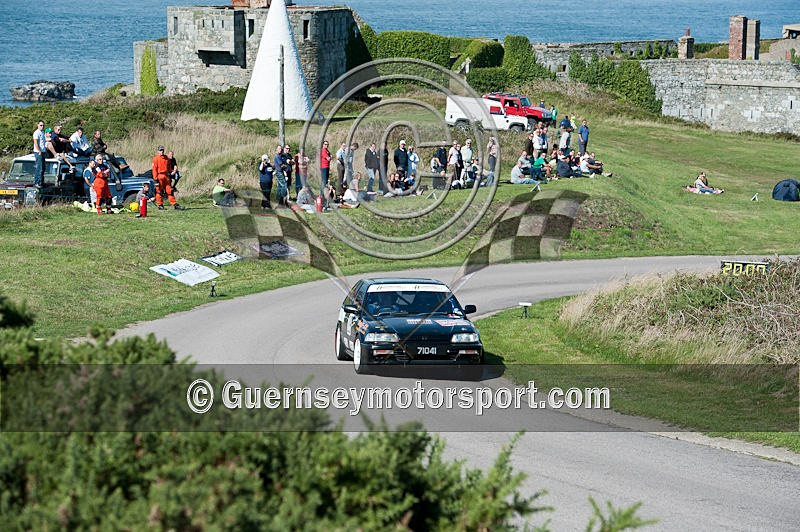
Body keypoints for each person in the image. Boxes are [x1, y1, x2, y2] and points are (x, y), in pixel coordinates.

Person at [152, 146, 185, 210]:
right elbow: (154, 170)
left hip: (166, 176)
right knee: (159, 191)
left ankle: (175, 205)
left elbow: (169, 167)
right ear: (158, 151)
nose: (161, 151)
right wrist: (155, 179)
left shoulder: (166, 158)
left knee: (169, 191)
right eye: (160, 150)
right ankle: (160, 205)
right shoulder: (155, 159)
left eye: (162, 150)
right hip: (159, 176)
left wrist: (172, 171)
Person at [33, 120, 46, 187]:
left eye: (43, 125)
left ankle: (41, 182)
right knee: (39, 167)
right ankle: (37, 182)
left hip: (43, 151)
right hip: (38, 152)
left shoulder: (42, 132)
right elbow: (36, 142)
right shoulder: (36, 133)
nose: (42, 126)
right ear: (38, 125)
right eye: (41, 125)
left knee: (43, 168)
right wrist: (39, 150)